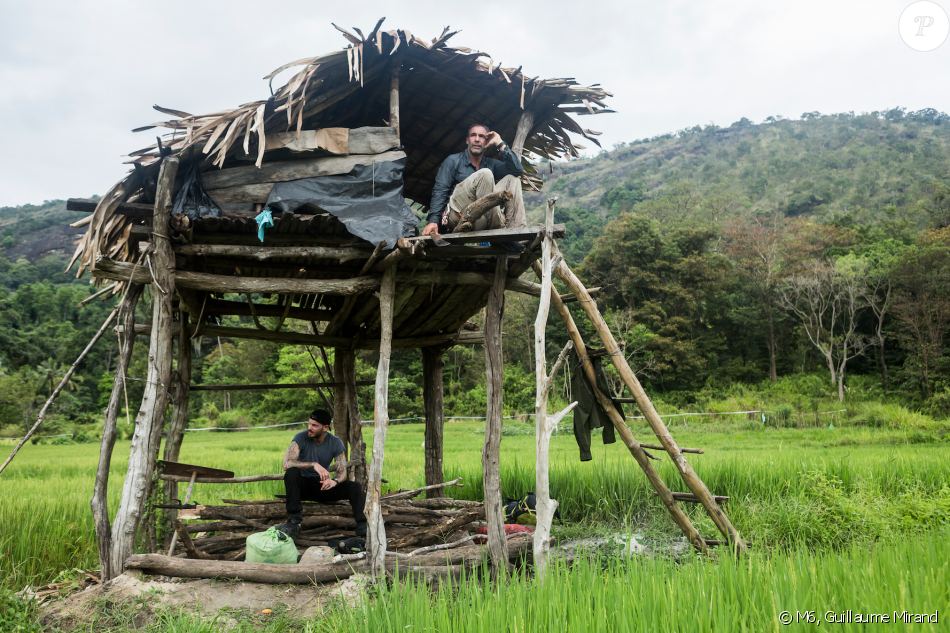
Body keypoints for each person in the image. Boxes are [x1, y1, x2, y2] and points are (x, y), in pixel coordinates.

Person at [275, 409, 366, 540]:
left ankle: (363, 528)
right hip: (302, 487)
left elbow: (342, 472)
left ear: (325, 428)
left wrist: (334, 481)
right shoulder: (300, 437)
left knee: (355, 487)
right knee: (292, 472)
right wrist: (313, 464)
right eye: (309, 424)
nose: (309, 428)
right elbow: (286, 463)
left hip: (323, 486)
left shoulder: (335, 442)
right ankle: (294, 521)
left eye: (314, 425)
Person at [423, 124, 527, 237]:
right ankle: (500, 231)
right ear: (467, 140)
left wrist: (499, 143)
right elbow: (440, 191)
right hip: (457, 215)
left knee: (513, 180)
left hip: (481, 217)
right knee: (486, 173)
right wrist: (433, 221)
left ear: (487, 142)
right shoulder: (453, 161)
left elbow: (517, 170)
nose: (477, 139)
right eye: (473, 135)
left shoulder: (490, 163)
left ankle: (517, 233)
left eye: (481, 136)